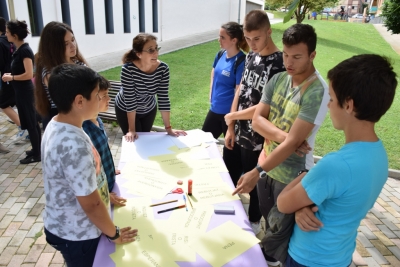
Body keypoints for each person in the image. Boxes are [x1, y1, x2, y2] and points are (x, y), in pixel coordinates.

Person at [277, 54, 397, 267]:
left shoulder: (336, 165)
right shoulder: (379, 155)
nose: (328, 106)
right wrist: (302, 205)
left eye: (331, 99)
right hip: (339, 256)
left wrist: (305, 176)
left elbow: (283, 203)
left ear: (349, 105)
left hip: (309, 258)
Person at [232, 24, 329, 265]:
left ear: (312, 55)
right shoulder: (278, 79)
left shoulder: (317, 91)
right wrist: (289, 139)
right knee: (269, 221)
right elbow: (256, 120)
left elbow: (270, 127)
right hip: (266, 163)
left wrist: (257, 170)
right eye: (286, 54)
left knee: (278, 237)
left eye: (297, 56)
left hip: (291, 175)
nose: (289, 62)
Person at [42, 64, 138, 267]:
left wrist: (103, 194)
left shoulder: (58, 123)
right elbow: (91, 205)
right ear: (79, 101)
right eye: (97, 95)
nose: (102, 100)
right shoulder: (73, 145)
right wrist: (114, 234)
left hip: (67, 224)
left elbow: (83, 181)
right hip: (76, 235)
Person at [223, 10, 285, 236]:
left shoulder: (279, 63)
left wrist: (232, 118)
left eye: (256, 38)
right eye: (247, 39)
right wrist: (231, 126)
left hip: (259, 139)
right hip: (239, 130)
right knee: (231, 175)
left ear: (269, 32)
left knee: (255, 187)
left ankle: (253, 225)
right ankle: (232, 218)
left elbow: (264, 108)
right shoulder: (251, 56)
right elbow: (241, 90)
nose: (252, 43)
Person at [114, 33, 186, 142]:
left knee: (146, 140)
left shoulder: (163, 69)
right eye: (151, 50)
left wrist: (168, 129)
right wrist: (131, 130)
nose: (156, 53)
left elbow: (163, 98)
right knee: (136, 141)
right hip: (125, 109)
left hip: (149, 108)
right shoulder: (128, 70)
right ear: (139, 54)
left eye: (156, 48)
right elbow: (130, 101)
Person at [34, 21, 88, 130]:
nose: (73, 46)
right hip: (63, 123)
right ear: (53, 47)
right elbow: (69, 100)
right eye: (65, 44)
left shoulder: (79, 63)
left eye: (73, 40)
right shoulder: (50, 72)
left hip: (82, 117)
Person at [1, 20, 41, 164]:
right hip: (20, 91)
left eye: (7, 32)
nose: (5, 35)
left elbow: (29, 74)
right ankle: (36, 149)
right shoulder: (18, 49)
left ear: (15, 35)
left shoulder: (25, 50)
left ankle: (37, 154)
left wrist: (11, 77)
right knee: (31, 122)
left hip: (25, 92)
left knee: (31, 123)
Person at [83, 76, 127, 206]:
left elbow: (103, 152)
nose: (109, 99)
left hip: (110, 182)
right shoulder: (85, 131)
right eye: (104, 96)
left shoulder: (98, 119)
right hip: (102, 194)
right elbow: (88, 174)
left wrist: (111, 169)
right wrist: (104, 196)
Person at [201, 22, 249, 139]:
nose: (219, 40)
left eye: (223, 37)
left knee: (230, 154)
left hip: (228, 115)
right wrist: (211, 93)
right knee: (204, 143)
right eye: (219, 36)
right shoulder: (220, 54)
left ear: (234, 40)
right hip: (214, 109)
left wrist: (231, 120)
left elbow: (239, 91)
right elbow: (214, 72)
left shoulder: (241, 61)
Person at [0, 17, 28, 143]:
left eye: (8, 31)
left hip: (9, 78)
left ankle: (24, 127)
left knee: (3, 104)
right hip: (14, 77)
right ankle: (28, 126)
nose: (7, 33)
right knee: (19, 103)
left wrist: (10, 77)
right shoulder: (12, 42)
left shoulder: (2, 42)